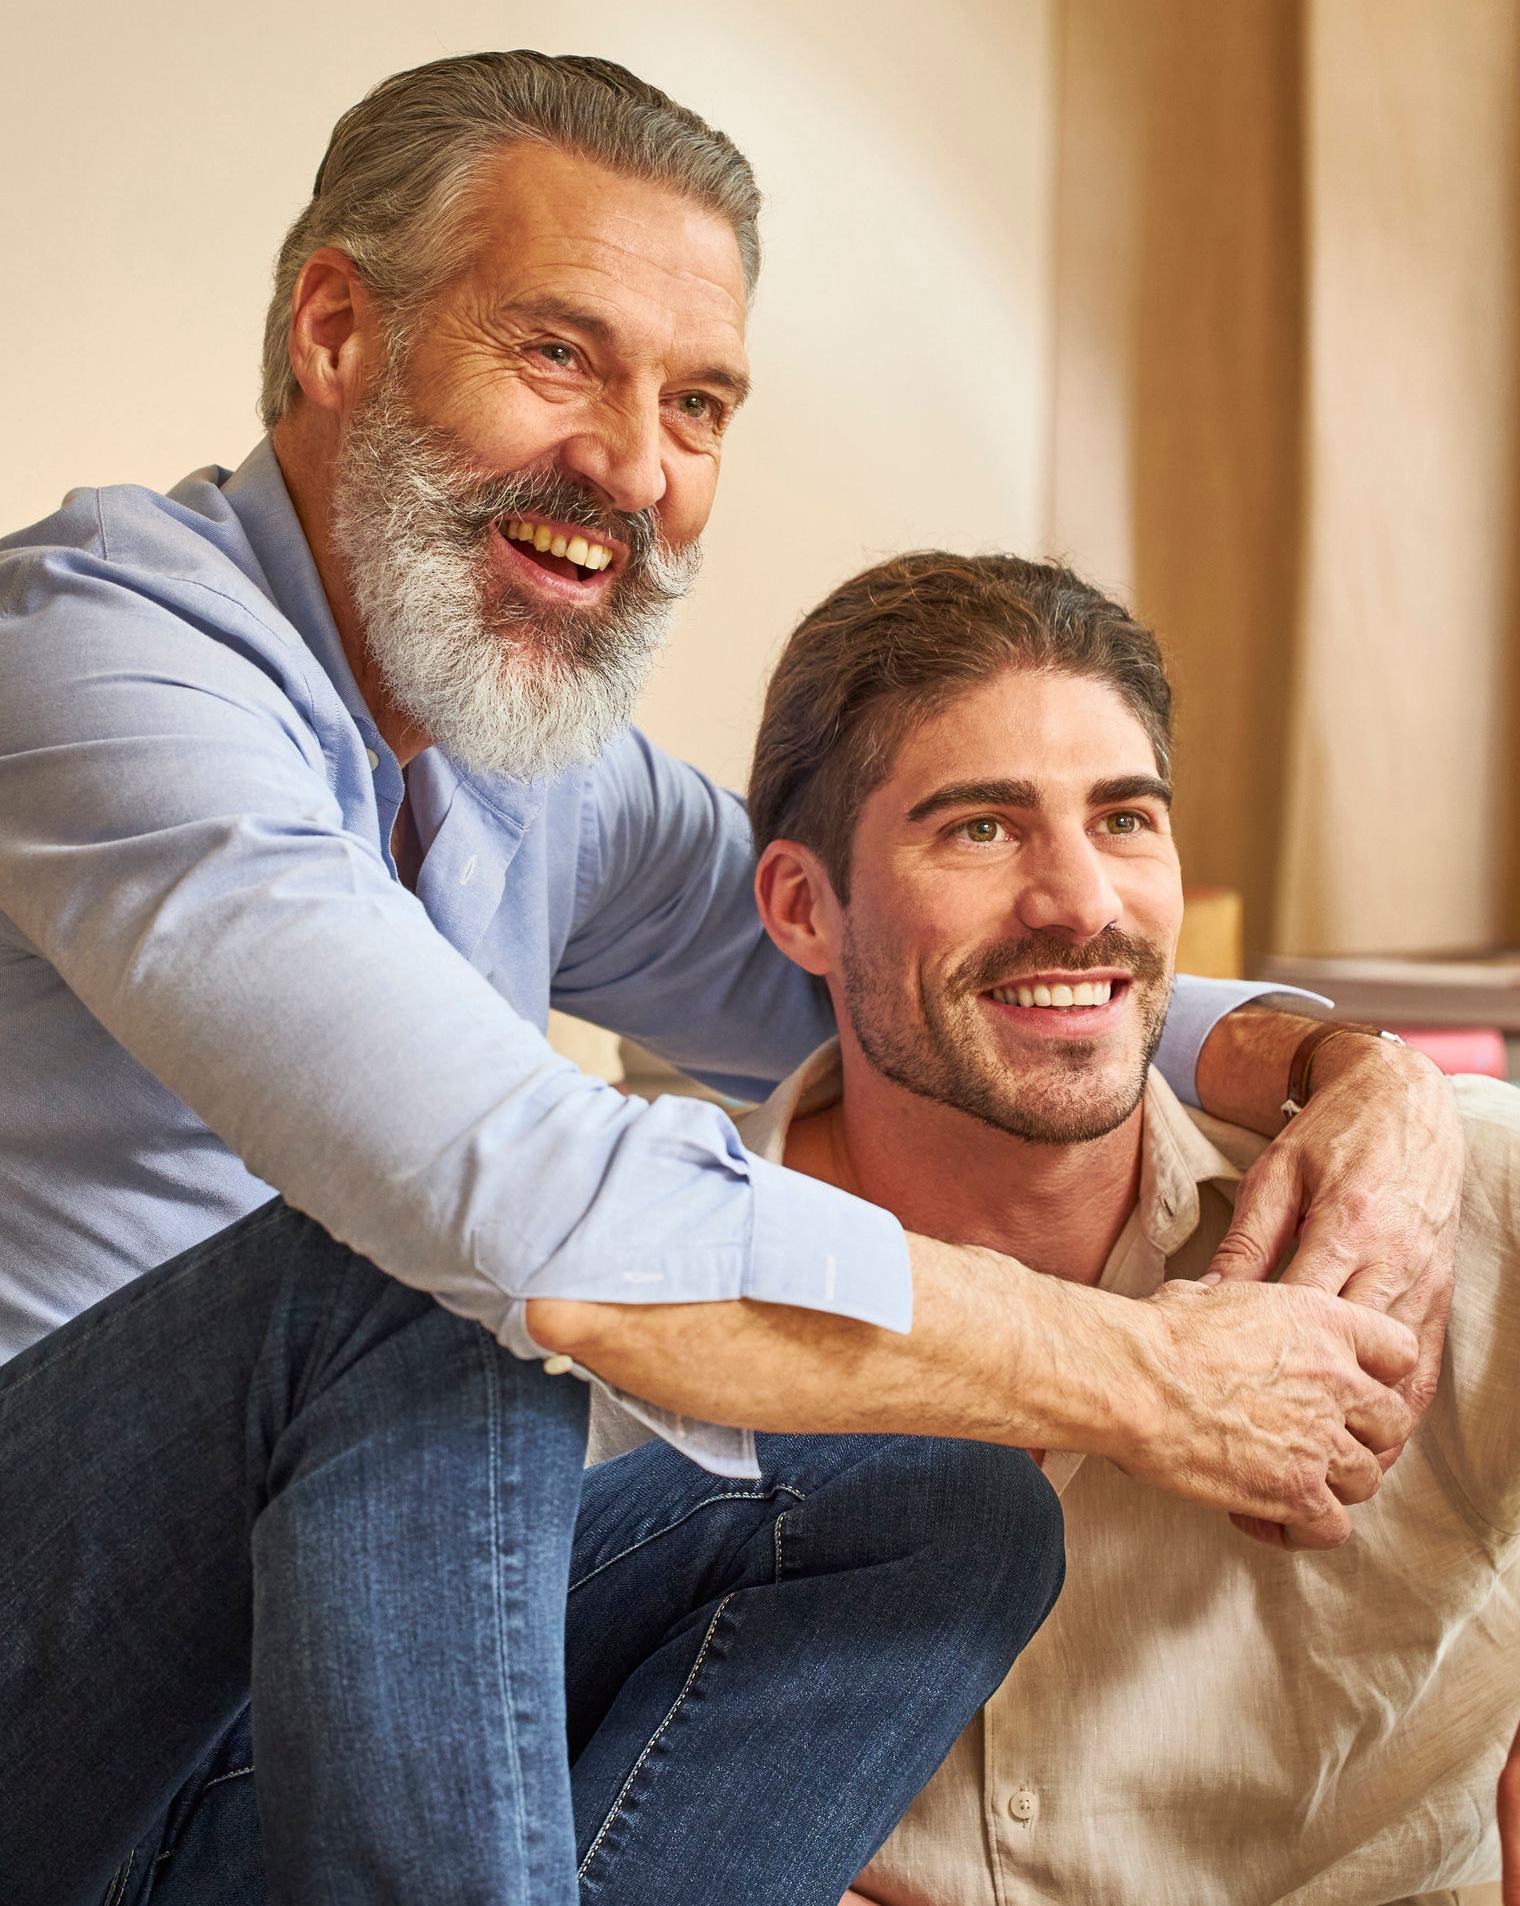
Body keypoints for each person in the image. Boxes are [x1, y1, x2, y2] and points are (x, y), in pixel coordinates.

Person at [0, 52, 1454, 1903]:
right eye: (559, 357)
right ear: (338, 331)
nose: (632, 468)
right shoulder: (91, 665)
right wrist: (1153, 1376)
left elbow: (914, 974)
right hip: (30, 1714)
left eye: (697, 404)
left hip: (278, 1723)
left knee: (943, 1521)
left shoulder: (524, 762)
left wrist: (1344, 1073)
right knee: (424, 1277)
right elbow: (523, 1216)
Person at [571, 548, 1518, 1904]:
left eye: (1126, 821)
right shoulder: (629, 1315)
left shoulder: (1447, 1198)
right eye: (980, 828)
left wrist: (1372, 1071)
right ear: (801, 907)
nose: (1081, 902)